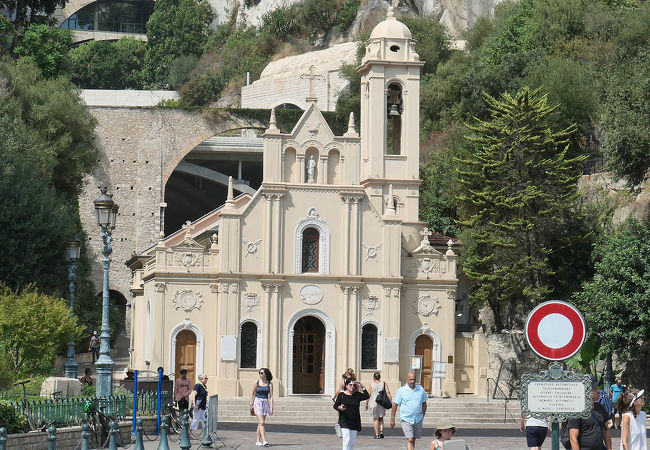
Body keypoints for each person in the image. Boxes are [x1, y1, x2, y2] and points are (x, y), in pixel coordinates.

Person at [567, 375, 612, 450]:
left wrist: (609, 449)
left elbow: (606, 431)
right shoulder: (578, 410)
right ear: (586, 392)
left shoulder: (601, 408)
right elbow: (573, 438)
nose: (598, 391)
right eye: (594, 389)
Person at [390, 372, 428, 450]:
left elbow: (424, 403)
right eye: (410, 379)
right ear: (407, 380)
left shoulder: (420, 389)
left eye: (414, 379)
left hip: (417, 418)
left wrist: (422, 414)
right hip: (406, 418)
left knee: (413, 439)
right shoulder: (402, 390)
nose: (412, 381)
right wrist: (392, 419)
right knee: (410, 439)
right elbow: (395, 405)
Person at [333, 378, 370, 450]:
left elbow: (367, 396)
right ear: (346, 385)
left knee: (352, 442)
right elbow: (335, 406)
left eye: (354, 385)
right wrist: (339, 407)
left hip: (354, 421)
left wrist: (362, 386)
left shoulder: (357, 395)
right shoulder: (341, 395)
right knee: (347, 440)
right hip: (344, 421)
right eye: (350, 385)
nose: (352, 386)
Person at [250, 368, 274, 447]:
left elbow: (271, 397)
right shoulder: (256, 382)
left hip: (265, 403)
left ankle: (257, 441)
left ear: (266, 374)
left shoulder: (270, 384)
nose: (260, 374)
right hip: (257, 402)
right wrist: (251, 404)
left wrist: (271, 408)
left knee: (260, 423)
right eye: (260, 373)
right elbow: (252, 393)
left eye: (262, 373)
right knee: (262, 422)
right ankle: (264, 440)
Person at [365, 371, 391, 439]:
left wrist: (366, 403)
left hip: (374, 403)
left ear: (374, 377)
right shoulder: (383, 383)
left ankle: (377, 435)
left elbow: (368, 395)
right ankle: (381, 431)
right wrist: (390, 401)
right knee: (381, 417)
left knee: (376, 419)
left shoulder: (372, 384)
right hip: (382, 403)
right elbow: (388, 392)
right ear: (380, 377)